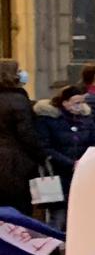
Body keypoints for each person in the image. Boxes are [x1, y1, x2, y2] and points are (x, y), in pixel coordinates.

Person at [0, 59, 47, 223]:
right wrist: (43, 155)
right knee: (19, 211)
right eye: (19, 70)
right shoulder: (17, 100)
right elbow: (27, 134)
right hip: (14, 164)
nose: (23, 73)